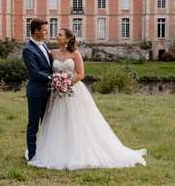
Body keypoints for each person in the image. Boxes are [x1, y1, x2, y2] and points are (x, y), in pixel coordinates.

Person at [27, 28, 147, 170]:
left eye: (60, 35)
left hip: (73, 91)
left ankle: (79, 151)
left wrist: (66, 83)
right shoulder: (52, 53)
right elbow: (45, 68)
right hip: (56, 94)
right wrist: (57, 83)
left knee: (77, 122)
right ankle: (56, 150)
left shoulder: (75, 54)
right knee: (57, 121)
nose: (56, 36)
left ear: (67, 39)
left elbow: (80, 74)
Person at [21, 18, 53, 161]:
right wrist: (53, 78)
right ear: (36, 31)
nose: (47, 32)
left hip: (49, 92)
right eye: (45, 30)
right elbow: (34, 73)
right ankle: (33, 155)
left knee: (47, 123)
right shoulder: (28, 50)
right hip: (36, 93)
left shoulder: (44, 46)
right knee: (34, 124)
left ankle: (46, 151)